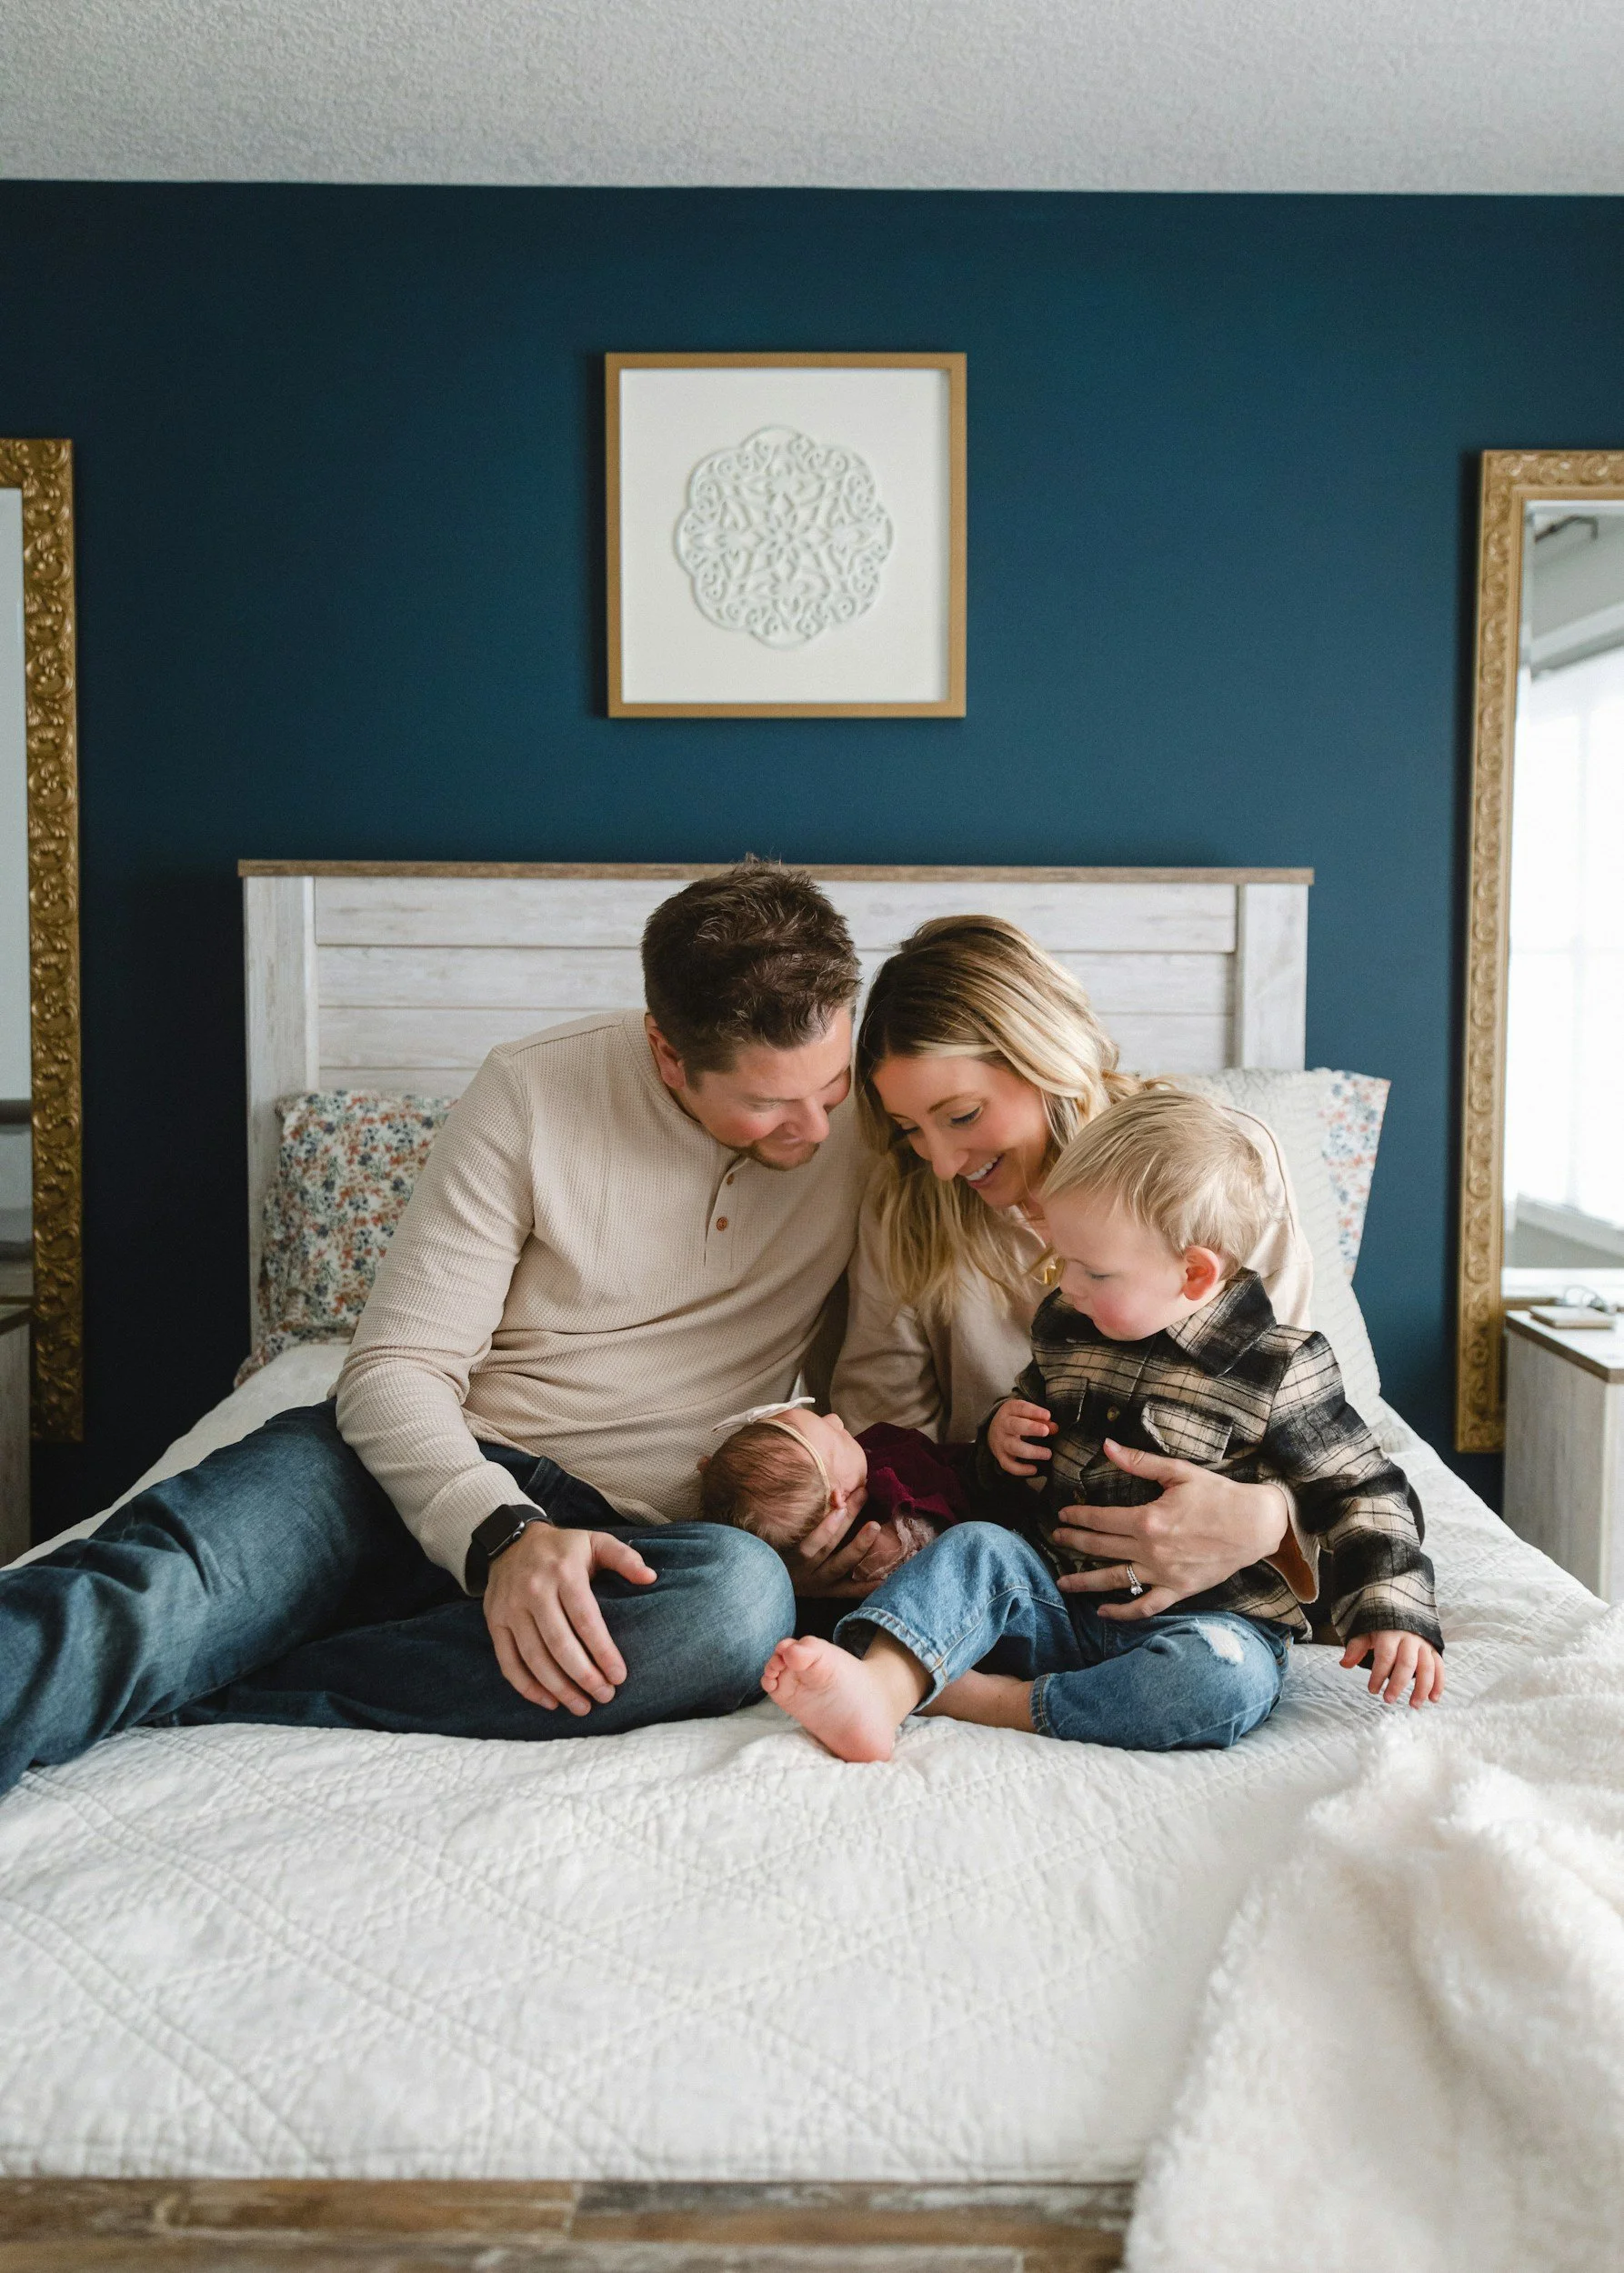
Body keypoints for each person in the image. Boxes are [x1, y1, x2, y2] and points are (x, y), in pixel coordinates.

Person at [0, 864, 870, 1796]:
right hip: (402, 1469)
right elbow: (395, 1368)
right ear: (667, 1052)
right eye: (767, 1104)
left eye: (831, 1084)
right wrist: (502, 1535)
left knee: (737, 1606)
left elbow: (901, 1357)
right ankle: (203, 1644)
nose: (815, 1129)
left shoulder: (881, 1121)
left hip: (633, 1542)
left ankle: (230, 1681)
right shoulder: (532, 1088)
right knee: (148, 1595)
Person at [763, 1089, 1444, 1763]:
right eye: (1062, 1261)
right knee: (974, 1549)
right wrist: (1001, 1440)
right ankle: (880, 1688)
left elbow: (1364, 1492)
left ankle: (992, 1702)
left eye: (1094, 1270)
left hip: (1199, 1619)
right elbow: (1005, 1476)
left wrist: (1393, 1613)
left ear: (1194, 1272)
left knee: (1226, 1679)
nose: (1068, 1285)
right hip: (1053, 1596)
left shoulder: (1280, 1366)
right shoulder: (1067, 1329)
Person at [827, 914, 1323, 1617]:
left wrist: (1265, 1518)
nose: (940, 1162)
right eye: (911, 1130)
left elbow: (1292, 1413)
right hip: (1005, 1559)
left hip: (1201, 1564)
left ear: (1046, 1058)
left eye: (961, 1115)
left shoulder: (1218, 1165)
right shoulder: (908, 1206)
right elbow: (890, 1434)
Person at [698, 1399, 981, 1590]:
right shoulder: (885, 1534)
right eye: (836, 1439)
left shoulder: (870, 1456)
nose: (835, 1419)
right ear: (839, 1500)